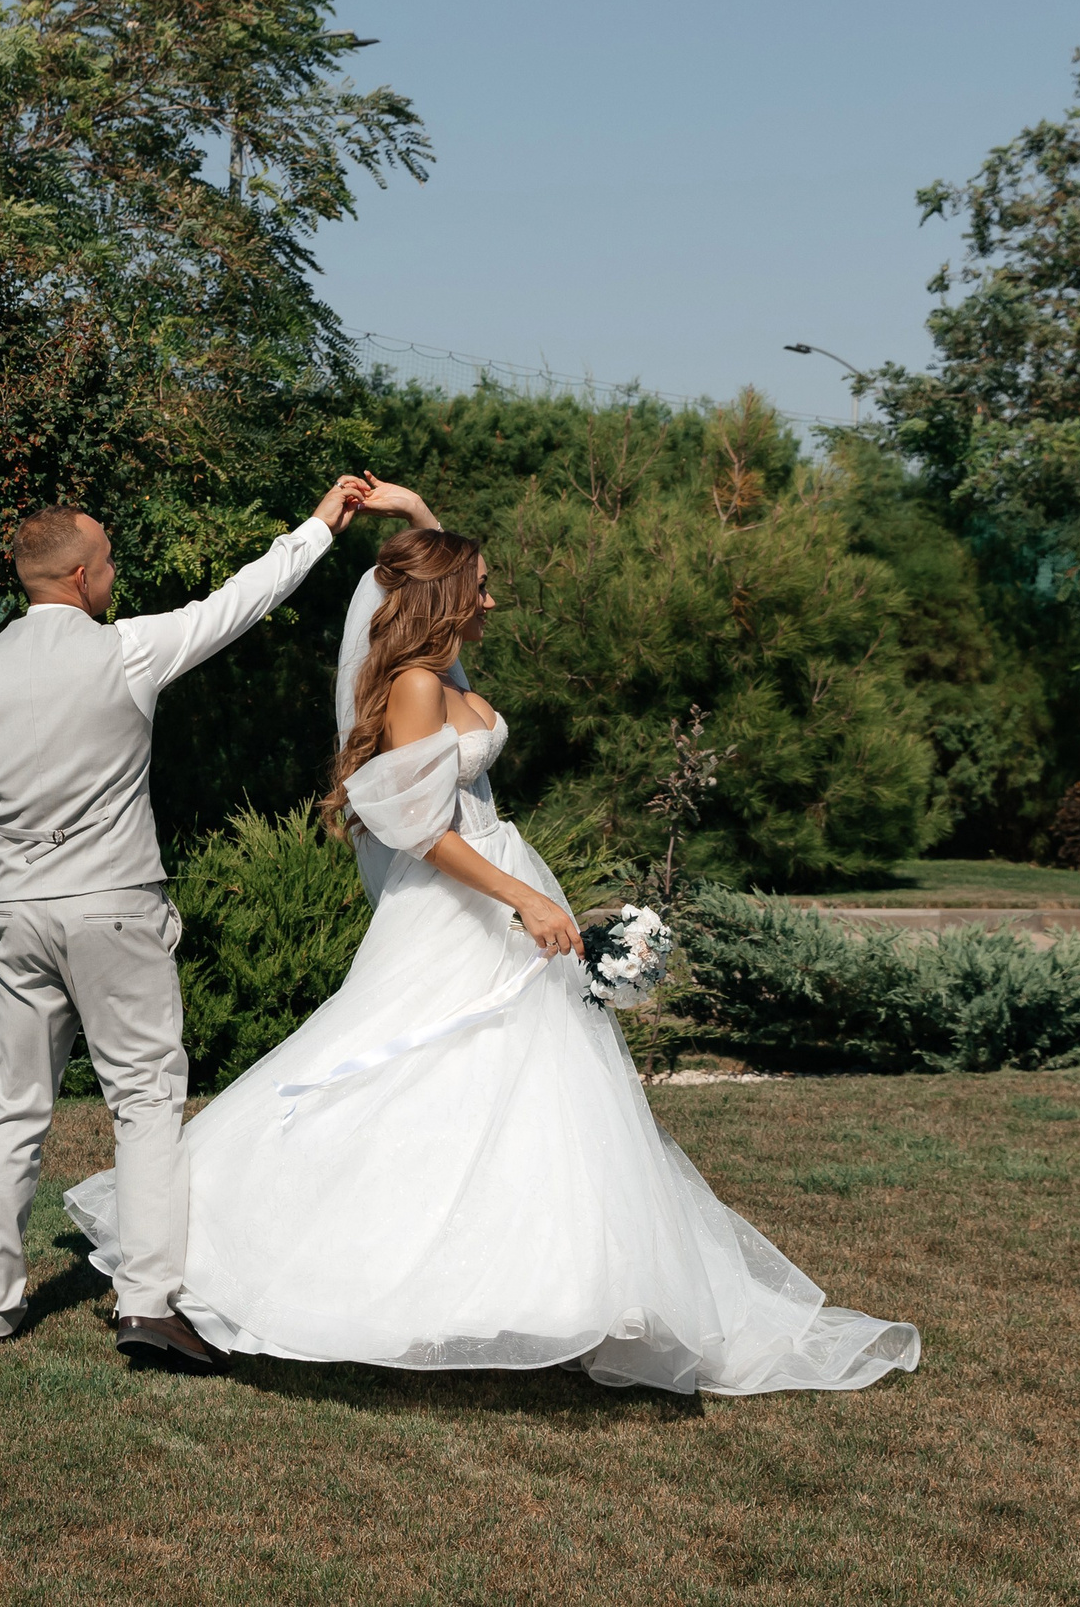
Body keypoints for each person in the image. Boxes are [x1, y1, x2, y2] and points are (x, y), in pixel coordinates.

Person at [64, 478, 922, 1395]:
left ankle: (563, 1285)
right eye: (482, 587)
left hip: (501, 888)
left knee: (533, 1086)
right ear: (448, 603)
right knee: (403, 1070)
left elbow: (437, 579)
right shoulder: (417, 688)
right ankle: (258, 1244)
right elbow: (421, 829)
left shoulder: (448, 672)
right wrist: (523, 899)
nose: (494, 599)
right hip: (458, 904)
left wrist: (418, 506)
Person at [0, 480, 371, 1367]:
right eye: (109, 562)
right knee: (144, 1101)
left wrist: (6, 897)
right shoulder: (128, 650)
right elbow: (240, 601)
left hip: (15, 913)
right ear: (83, 573)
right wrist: (320, 528)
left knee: (11, 1111)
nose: (116, 576)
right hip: (115, 907)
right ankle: (145, 1304)